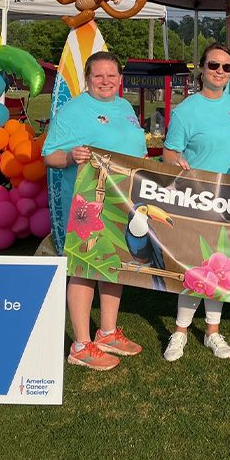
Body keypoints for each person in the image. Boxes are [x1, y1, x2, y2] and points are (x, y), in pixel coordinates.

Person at [43, 51, 148, 371]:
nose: (106, 82)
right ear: (87, 79)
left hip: (121, 201)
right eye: (98, 76)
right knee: (85, 266)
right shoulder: (73, 110)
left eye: (112, 76)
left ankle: (107, 331)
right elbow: (49, 156)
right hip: (85, 203)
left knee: (113, 263)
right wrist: (70, 157)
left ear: (120, 78)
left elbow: (138, 153)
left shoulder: (125, 107)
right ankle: (80, 344)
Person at [162, 43, 230, 362]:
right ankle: (180, 331)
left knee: (222, 265)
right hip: (197, 197)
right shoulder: (187, 110)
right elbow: (169, 153)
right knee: (196, 265)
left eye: (227, 67)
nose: (220, 72)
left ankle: (213, 331)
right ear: (201, 68)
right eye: (214, 65)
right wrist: (178, 162)